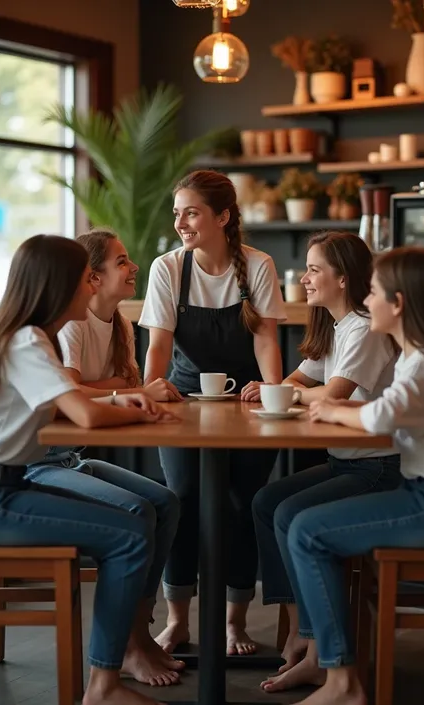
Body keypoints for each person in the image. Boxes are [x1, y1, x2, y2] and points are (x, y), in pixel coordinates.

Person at [0, 233, 179, 705]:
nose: (92, 288)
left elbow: (80, 406)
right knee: (130, 534)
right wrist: (141, 407)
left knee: (146, 514)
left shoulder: (29, 337)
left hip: (8, 483)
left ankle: (113, 670)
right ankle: (104, 685)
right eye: (85, 280)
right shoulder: (28, 341)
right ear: (61, 285)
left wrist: (127, 400)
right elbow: (87, 415)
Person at [282, 247, 424, 705]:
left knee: (306, 530)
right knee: (300, 522)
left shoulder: (423, 361)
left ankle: (342, 683)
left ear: (398, 303)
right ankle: (335, 668)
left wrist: (331, 408)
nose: (369, 299)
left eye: (376, 292)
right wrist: (339, 407)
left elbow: (383, 418)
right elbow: (390, 410)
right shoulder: (422, 354)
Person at [139, 169, 286, 655]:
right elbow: (158, 344)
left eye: (192, 212)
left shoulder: (258, 264)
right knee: (181, 498)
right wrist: (150, 390)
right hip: (183, 402)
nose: (181, 222)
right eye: (177, 212)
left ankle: (234, 623)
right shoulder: (169, 267)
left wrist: (270, 388)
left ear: (222, 216)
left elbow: (266, 336)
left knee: (241, 502)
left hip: (245, 401)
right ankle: (178, 620)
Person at [251, 231, 402, 692]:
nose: (307, 278)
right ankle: (302, 628)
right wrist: (275, 386)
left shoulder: (362, 327)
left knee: (293, 514)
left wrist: (286, 391)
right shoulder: (338, 326)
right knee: (267, 501)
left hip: (379, 468)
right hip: (348, 462)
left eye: (315, 269)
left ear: (343, 277)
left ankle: (319, 650)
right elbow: (306, 377)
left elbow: (334, 394)